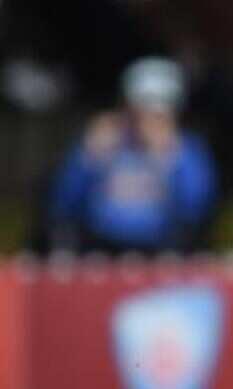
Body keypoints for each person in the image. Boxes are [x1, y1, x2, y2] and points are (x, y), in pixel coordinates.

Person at [47, 57, 216, 256]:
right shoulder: (102, 140)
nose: (147, 120)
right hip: (98, 250)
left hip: (161, 254)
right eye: (140, 108)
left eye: (158, 113)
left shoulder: (187, 151)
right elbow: (62, 204)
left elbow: (196, 210)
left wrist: (168, 157)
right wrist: (87, 158)